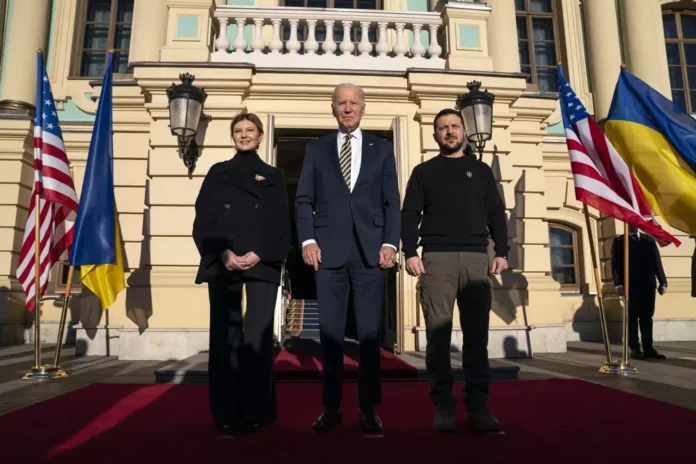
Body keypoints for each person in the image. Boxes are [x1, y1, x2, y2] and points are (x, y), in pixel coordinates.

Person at [295, 83, 400, 434]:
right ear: (333, 108)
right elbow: (303, 200)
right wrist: (308, 239)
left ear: (364, 107)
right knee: (331, 336)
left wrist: (390, 243)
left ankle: (369, 409)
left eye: (354, 103)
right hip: (327, 253)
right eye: (341, 103)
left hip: (371, 252)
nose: (348, 108)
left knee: (369, 336)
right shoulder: (316, 149)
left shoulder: (382, 149)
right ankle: (332, 407)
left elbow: (391, 202)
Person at [401, 108, 509, 433]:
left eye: (454, 126)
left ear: (463, 131)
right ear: (435, 135)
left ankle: (478, 407)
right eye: (443, 128)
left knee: (477, 339)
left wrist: (502, 252)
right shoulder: (423, 172)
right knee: (437, 337)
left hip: (477, 259)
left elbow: (496, 213)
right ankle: (443, 407)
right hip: (437, 260)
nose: (449, 131)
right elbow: (409, 213)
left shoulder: (481, 171)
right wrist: (409, 252)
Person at [193, 112, 291, 436]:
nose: (244, 135)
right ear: (232, 136)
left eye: (250, 130)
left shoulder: (273, 175)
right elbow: (203, 220)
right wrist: (223, 253)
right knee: (225, 339)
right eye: (239, 130)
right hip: (224, 261)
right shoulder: (218, 173)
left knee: (258, 339)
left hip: (261, 262)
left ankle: (256, 411)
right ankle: (225, 413)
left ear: (261, 136)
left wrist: (260, 252)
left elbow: (281, 223)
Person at [611, 225, 667, 360]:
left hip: (648, 285)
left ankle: (648, 348)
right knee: (632, 318)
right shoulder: (619, 241)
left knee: (647, 317)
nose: (634, 225)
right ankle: (635, 348)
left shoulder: (648, 240)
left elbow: (657, 262)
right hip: (630, 285)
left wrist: (663, 282)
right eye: (631, 223)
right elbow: (616, 264)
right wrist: (618, 284)